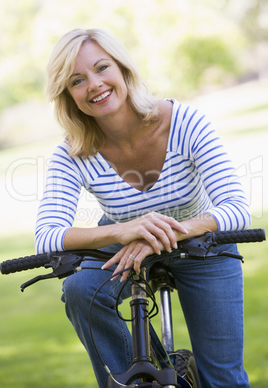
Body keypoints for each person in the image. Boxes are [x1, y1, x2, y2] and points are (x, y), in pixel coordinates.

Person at [35, 28, 251, 387]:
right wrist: (122, 230)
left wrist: (156, 236)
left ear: (123, 69)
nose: (94, 85)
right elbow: (47, 236)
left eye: (102, 68)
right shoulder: (72, 153)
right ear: (68, 96)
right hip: (124, 239)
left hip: (201, 239)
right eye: (77, 80)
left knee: (225, 380)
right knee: (80, 290)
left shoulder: (184, 122)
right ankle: (137, 383)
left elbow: (236, 209)